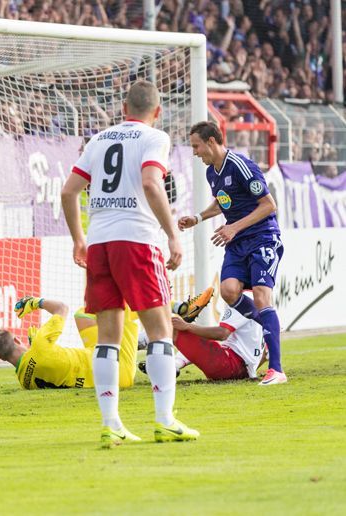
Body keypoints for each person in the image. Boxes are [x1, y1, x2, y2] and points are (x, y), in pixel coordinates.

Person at [60, 80, 198, 448]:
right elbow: (152, 185)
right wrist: (172, 233)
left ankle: (111, 424)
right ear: (157, 111)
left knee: (107, 338)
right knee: (160, 332)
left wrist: (79, 238)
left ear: (123, 108)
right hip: (136, 239)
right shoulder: (155, 138)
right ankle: (164, 419)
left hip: (101, 244)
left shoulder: (98, 140)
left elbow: (68, 191)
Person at [180, 121, 285, 386]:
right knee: (228, 291)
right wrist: (198, 217)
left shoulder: (240, 165)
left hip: (262, 236)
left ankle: (276, 369)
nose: (194, 152)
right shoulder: (212, 173)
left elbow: (268, 205)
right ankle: (267, 326)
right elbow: (223, 201)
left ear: (211, 142)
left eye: (196, 146)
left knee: (262, 295)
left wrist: (232, 227)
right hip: (238, 241)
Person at [0, 296, 139, 391]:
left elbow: (41, 365)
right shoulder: (39, 345)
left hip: (99, 368)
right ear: (17, 339)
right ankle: (156, 324)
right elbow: (62, 308)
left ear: (1, 358)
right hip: (118, 367)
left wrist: (32, 348)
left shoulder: (24, 381)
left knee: (83, 315)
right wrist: (35, 303)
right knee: (119, 303)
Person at [154, 296, 266, 381]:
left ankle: (149, 351)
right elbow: (266, 354)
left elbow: (222, 334)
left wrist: (188, 326)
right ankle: (173, 365)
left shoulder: (242, 301)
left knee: (171, 325)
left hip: (227, 365)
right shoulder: (263, 303)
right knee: (201, 340)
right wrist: (250, 372)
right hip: (239, 369)